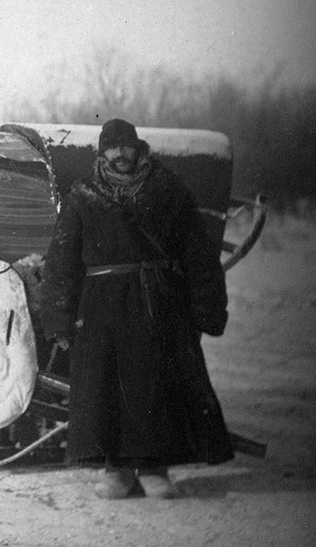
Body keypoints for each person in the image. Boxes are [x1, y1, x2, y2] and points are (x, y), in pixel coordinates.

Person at [39, 118, 234, 499]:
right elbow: (61, 261)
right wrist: (58, 319)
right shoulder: (83, 196)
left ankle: (154, 469)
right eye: (112, 148)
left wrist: (207, 308)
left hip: (156, 302)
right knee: (107, 389)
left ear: (138, 148)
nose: (120, 154)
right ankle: (117, 471)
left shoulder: (168, 190)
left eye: (126, 146)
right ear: (102, 153)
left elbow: (199, 254)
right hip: (102, 307)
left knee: (155, 386)